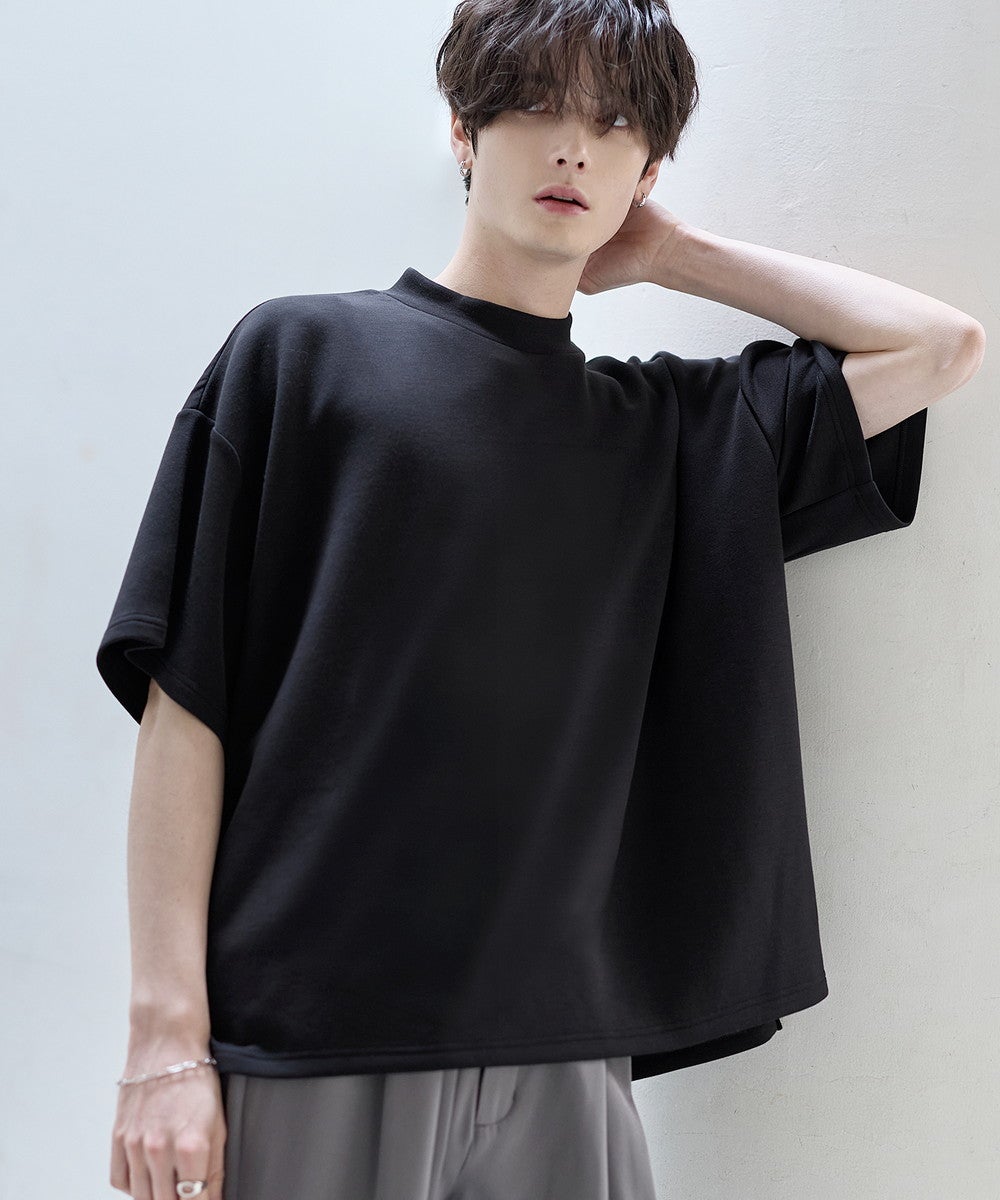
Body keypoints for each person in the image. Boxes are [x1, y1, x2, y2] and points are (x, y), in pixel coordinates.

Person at [97, 2, 986, 1198]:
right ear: (463, 130)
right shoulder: (300, 359)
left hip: (568, 1052)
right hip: (320, 1029)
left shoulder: (668, 434)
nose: (572, 147)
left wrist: (669, 253)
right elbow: (187, 702)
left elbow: (936, 347)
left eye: (614, 125)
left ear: (648, 170)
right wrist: (164, 1041)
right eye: (535, 106)